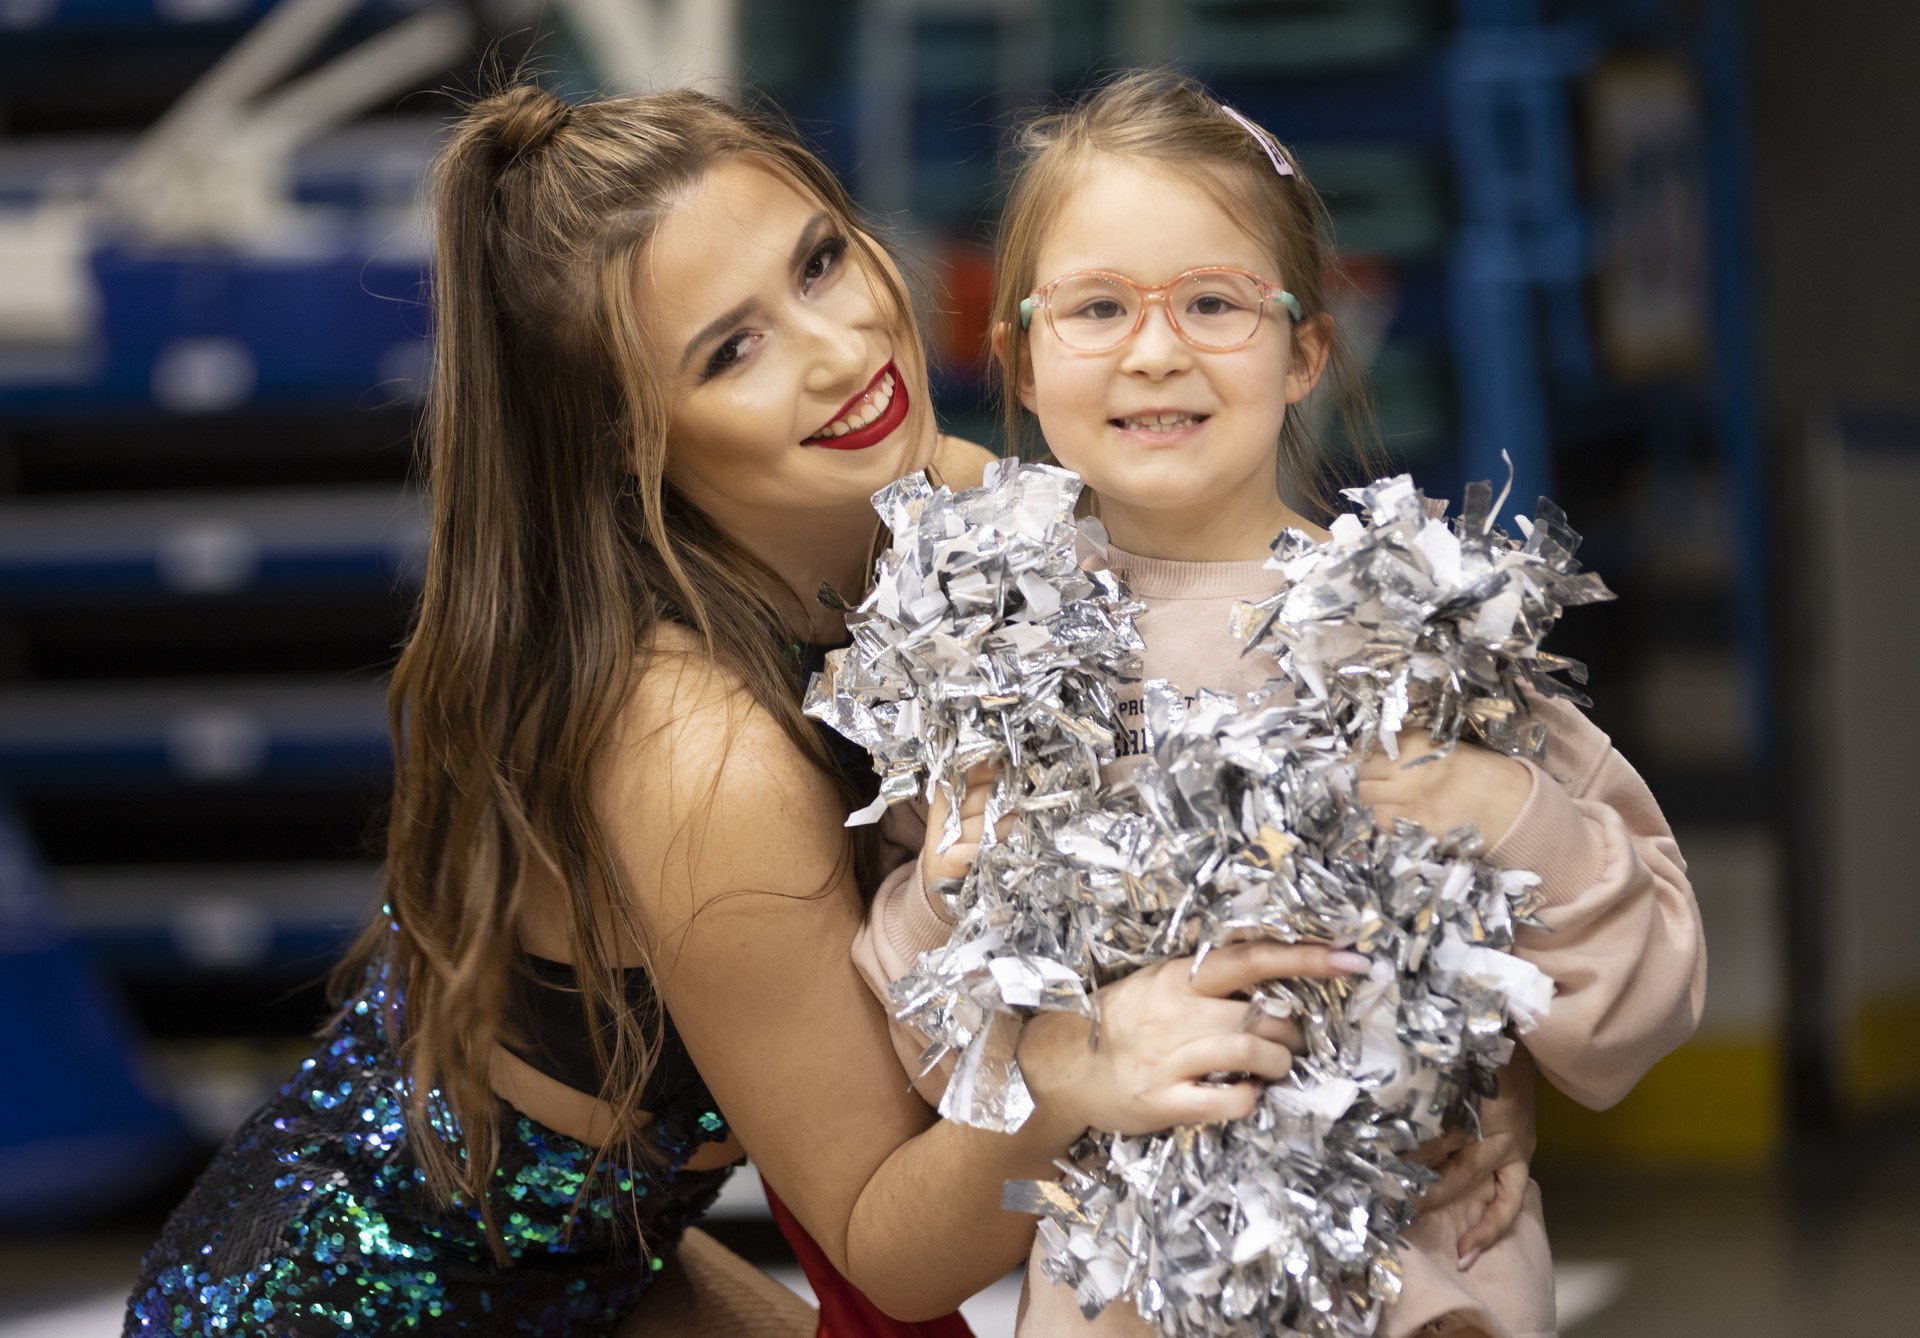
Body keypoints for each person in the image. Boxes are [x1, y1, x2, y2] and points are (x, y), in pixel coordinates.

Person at [120, 83, 1374, 1338]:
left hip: (606, 1271)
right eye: (732, 350)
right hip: (358, 1311)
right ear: (629, 437)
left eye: (820, 262)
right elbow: (892, 1256)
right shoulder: (702, 757)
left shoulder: (929, 494)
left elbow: (1225, 598)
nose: (839, 351)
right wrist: (1082, 1078)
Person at [853, 71, 1707, 1338]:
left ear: (1306, 349)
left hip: (1419, 1281)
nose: (1156, 350)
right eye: (1098, 307)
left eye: (1214, 302)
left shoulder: (1417, 633)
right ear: (1022, 361)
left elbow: (1648, 994)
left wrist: (1504, 806)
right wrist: (942, 898)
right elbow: (936, 1059)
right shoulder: (989, 654)